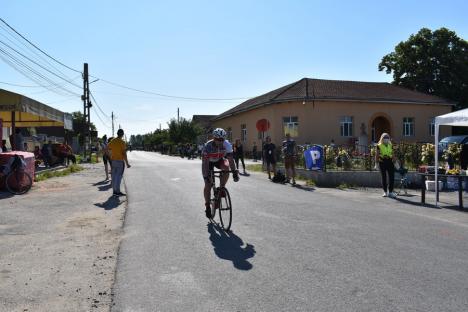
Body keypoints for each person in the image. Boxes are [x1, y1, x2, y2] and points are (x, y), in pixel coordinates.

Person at [202, 128, 239, 218]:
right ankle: (207, 206)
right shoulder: (207, 146)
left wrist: (234, 172)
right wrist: (206, 176)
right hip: (208, 162)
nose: (220, 141)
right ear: (214, 138)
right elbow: (205, 164)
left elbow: (230, 160)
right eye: (218, 139)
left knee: (226, 168)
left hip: (219, 160)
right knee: (208, 184)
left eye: (222, 139)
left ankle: (221, 188)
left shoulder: (227, 145)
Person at [107, 129, 131, 196]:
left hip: (113, 161)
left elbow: (107, 148)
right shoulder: (122, 142)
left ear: (117, 133)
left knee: (114, 176)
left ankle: (114, 191)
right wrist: (127, 163)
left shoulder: (113, 141)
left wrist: (110, 156)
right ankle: (117, 191)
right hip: (120, 161)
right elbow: (124, 153)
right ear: (122, 134)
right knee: (119, 176)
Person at [375, 133, 396, 198]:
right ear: (382, 138)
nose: (386, 139)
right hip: (382, 162)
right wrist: (376, 163)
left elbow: (393, 154)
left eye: (387, 137)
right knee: (384, 177)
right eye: (385, 137)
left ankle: (391, 192)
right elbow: (377, 155)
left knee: (391, 177)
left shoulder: (391, 145)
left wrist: (395, 162)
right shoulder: (379, 145)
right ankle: (385, 192)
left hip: (390, 162)